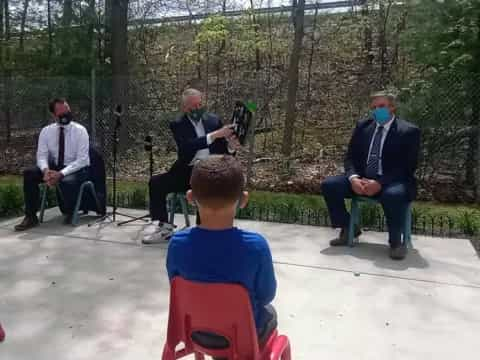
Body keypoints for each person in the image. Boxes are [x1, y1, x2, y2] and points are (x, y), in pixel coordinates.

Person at [166, 155, 278, 354]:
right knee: (269, 312)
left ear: (190, 198)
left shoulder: (177, 244)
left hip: (194, 333)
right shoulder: (256, 247)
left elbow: (176, 287)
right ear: (243, 200)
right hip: (242, 338)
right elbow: (266, 295)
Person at [321, 92, 421, 260]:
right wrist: (353, 178)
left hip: (392, 182)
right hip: (361, 179)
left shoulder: (409, 131)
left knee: (393, 195)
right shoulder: (363, 127)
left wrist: (379, 183)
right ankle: (348, 228)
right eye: (374, 108)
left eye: (381, 106)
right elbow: (350, 158)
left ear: (392, 107)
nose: (377, 110)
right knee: (329, 185)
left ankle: (396, 242)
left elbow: (407, 167)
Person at [143, 88, 239, 244]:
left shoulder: (214, 120)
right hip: (187, 171)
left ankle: (204, 230)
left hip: (210, 170)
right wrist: (214, 136)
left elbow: (224, 151)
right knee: (156, 182)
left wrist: (231, 147)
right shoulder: (178, 124)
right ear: (185, 108)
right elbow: (186, 147)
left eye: (200, 104)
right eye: (193, 106)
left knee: (207, 189)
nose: (197, 108)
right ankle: (164, 229)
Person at [14, 99, 90, 231]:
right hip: (54, 167)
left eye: (67, 110)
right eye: (62, 112)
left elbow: (82, 160)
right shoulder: (46, 131)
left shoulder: (80, 131)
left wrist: (61, 174)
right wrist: (45, 171)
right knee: (29, 173)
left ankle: (70, 210)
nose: (66, 114)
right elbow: (41, 156)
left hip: (76, 169)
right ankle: (31, 217)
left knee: (66, 180)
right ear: (54, 115)